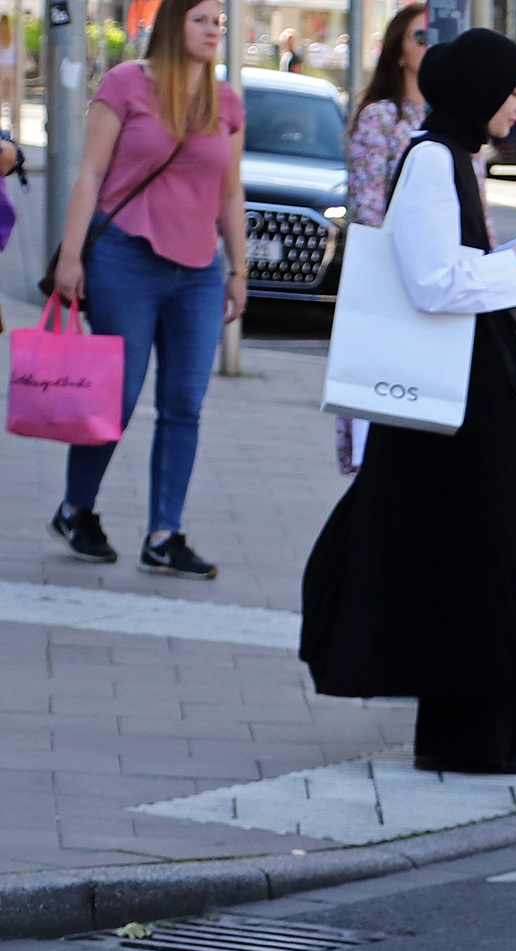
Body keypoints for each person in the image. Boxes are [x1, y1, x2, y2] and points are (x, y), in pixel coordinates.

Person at [300, 28, 516, 776]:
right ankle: (468, 739)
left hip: (481, 388)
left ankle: (490, 734)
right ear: (479, 93)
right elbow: (430, 283)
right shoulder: (430, 161)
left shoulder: (456, 156)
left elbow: (457, 270)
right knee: (488, 549)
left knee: (505, 540)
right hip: (462, 398)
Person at [44, 0, 244, 576]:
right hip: (125, 260)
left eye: (219, 24)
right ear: (175, 22)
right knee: (117, 396)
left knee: (185, 404)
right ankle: (76, 508)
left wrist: (237, 270)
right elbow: (90, 174)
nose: (213, 31)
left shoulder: (225, 101)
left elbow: (231, 192)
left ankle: (165, 533)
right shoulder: (126, 84)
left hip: (199, 273)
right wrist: (72, 255)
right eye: (203, 19)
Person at [333, 2, 432, 477]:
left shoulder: (447, 119)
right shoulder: (381, 118)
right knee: (380, 419)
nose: (430, 47)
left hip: (438, 289)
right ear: (397, 51)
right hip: (390, 284)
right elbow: (367, 212)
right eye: (420, 37)